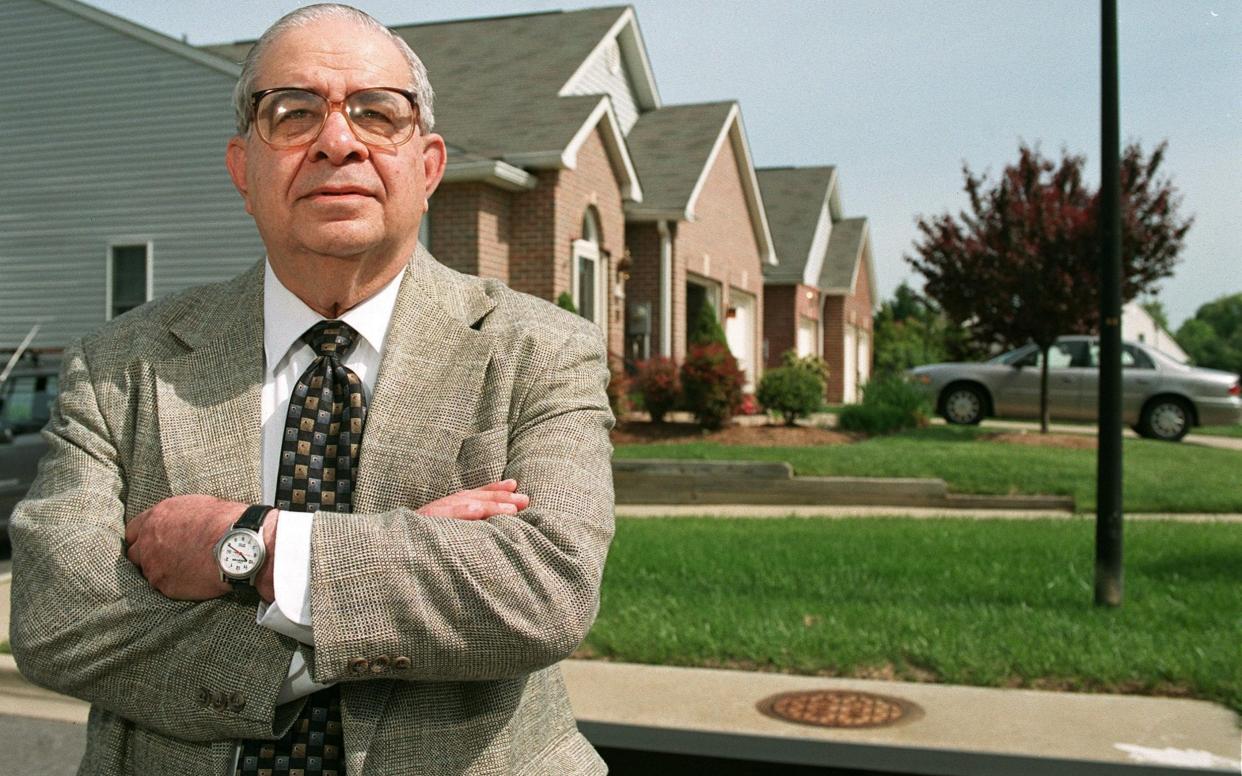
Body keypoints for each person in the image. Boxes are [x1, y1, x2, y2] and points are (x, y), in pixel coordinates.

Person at [9, 4, 614, 775]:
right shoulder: (121, 366)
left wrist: (257, 546)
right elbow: (58, 623)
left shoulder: (540, 349)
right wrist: (385, 576)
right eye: (293, 114)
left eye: (377, 113)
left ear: (427, 167)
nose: (337, 141)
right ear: (243, 170)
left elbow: (544, 590)